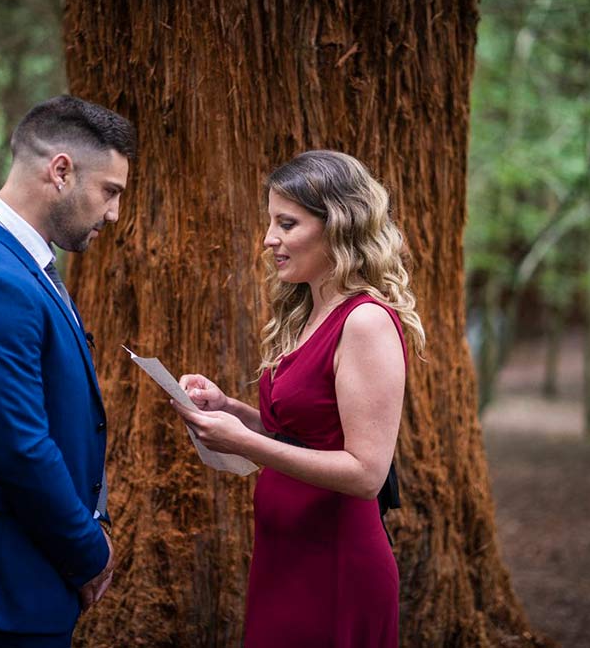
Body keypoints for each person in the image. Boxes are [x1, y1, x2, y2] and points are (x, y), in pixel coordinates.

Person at [172, 150, 426, 647]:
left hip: (334, 563)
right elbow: (307, 436)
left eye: (286, 224)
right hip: (283, 554)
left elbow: (365, 473)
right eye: (272, 223)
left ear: (338, 225)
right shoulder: (306, 310)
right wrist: (231, 411)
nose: (270, 240)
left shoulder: (365, 321)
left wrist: (244, 444)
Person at [0, 96, 136, 648]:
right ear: (60, 171)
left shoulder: (16, 263)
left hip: (24, 569)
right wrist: (88, 552)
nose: (114, 213)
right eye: (110, 191)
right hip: (4, 579)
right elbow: (20, 446)